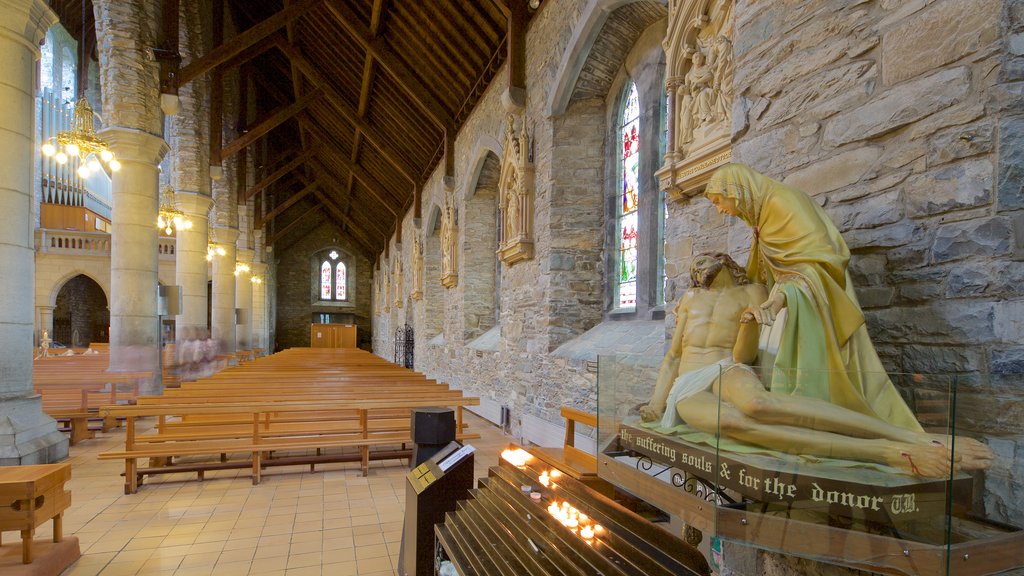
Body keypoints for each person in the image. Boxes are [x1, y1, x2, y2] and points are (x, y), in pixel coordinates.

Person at [699, 164, 992, 470]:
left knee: (783, 406)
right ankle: (901, 444)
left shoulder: (783, 203)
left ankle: (908, 443)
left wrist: (776, 301)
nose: (720, 210)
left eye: (719, 201)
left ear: (737, 190)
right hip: (781, 316)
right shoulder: (762, 218)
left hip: (807, 308)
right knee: (769, 410)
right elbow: (768, 276)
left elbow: (817, 266)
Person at [642, 252, 991, 477]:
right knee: (734, 424)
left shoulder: (753, 292)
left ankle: (915, 436)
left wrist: (750, 322)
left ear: (723, 262)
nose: (699, 270)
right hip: (688, 383)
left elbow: (742, 357)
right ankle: (887, 452)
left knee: (758, 403)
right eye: (696, 267)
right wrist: (657, 403)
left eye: (704, 263)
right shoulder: (690, 299)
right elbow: (673, 356)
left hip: (725, 368)